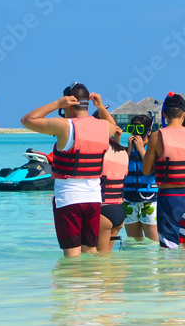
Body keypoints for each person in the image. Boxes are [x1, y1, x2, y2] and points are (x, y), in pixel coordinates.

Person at [21, 83, 118, 257]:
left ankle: (72, 283)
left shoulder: (66, 126)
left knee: (72, 256)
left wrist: (57, 104)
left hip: (69, 199)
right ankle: (94, 283)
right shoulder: (103, 127)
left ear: (69, 105)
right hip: (94, 199)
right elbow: (114, 125)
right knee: (90, 251)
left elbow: (27, 120)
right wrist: (101, 106)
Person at [143, 92, 185, 249]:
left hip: (168, 198)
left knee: (168, 247)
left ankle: (169, 273)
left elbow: (146, 170)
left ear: (163, 114)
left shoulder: (157, 137)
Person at [122, 113, 159, 242]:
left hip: (149, 199)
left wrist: (141, 150)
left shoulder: (153, 149)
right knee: (134, 242)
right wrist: (129, 151)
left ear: (148, 132)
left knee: (153, 242)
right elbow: (120, 171)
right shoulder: (126, 150)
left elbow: (154, 170)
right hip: (129, 199)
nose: (136, 134)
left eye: (140, 129)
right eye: (133, 129)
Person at [98, 121, 128, 253]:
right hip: (119, 210)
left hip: (102, 210)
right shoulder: (123, 153)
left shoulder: (97, 152)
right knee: (107, 256)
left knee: (100, 258)